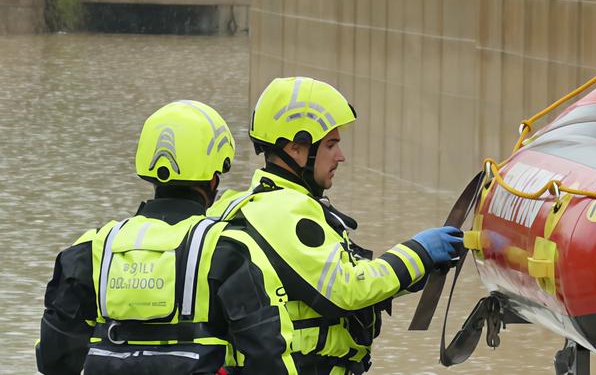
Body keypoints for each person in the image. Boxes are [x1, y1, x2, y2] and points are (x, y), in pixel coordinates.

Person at [207, 77, 463, 374]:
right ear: (296, 149)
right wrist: (418, 252)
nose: (341, 157)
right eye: (331, 145)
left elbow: (334, 281)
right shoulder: (283, 211)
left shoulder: (250, 204)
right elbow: (346, 290)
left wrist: (416, 270)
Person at [37, 100, 297, 375]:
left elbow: (54, 359)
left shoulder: (91, 250)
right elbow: (269, 359)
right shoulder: (228, 251)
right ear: (213, 180)